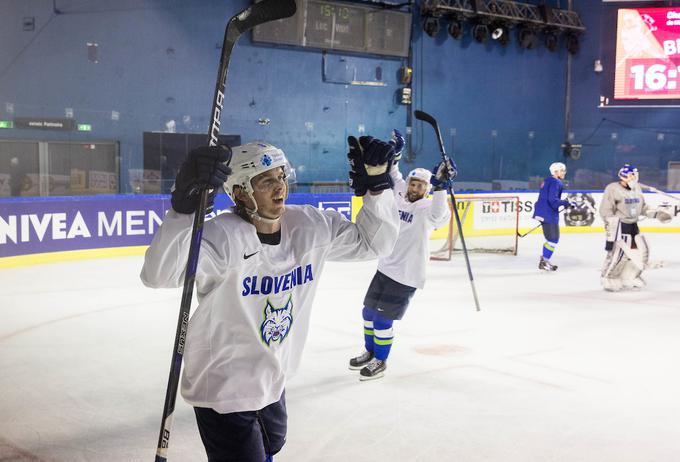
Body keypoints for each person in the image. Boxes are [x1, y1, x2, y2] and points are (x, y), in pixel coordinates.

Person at [141, 137, 400, 461]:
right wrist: (183, 210)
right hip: (223, 387)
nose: (280, 188)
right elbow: (159, 275)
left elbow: (375, 243)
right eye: (266, 181)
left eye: (280, 177)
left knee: (271, 448)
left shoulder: (309, 226)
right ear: (239, 192)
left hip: (273, 378)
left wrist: (377, 187)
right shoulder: (222, 238)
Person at [348, 130, 454, 381]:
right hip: (385, 267)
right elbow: (393, 173)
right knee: (368, 313)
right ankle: (370, 351)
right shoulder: (399, 192)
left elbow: (440, 216)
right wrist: (395, 152)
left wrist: (440, 187)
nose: (416, 188)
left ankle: (380, 362)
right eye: (414, 183)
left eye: (422, 186)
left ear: (427, 189)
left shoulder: (428, 208)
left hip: (406, 275)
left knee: (383, 321)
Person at [599, 164, 672, 292]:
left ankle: (630, 277)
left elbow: (643, 207)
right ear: (625, 176)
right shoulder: (612, 189)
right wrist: (611, 228)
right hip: (620, 226)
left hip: (633, 226)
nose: (635, 177)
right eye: (632, 175)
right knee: (618, 255)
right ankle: (610, 278)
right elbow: (606, 211)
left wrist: (658, 214)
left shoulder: (636, 188)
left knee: (641, 253)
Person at [532, 162, 573, 271]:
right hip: (548, 214)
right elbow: (553, 201)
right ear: (555, 172)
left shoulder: (547, 180)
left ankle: (544, 260)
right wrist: (566, 203)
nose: (564, 172)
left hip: (542, 212)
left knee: (551, 239)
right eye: (562, 170)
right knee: (553, 239)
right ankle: (544, 261)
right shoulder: (556, 182)